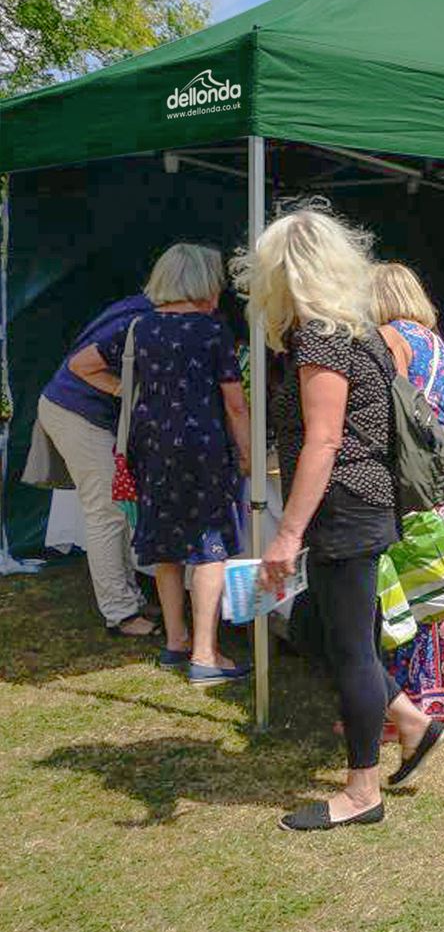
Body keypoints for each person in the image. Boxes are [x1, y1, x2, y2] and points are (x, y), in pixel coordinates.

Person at [234, 204, 444, 831]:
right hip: (364, 502)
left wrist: (289, 532)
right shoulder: (364, 332)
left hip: (345, 508)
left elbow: (325, 440)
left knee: (350, 647)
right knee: (320, 631)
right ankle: (412, 723)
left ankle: (362, 791)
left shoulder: (323, 336)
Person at [83, 244, 252, 681]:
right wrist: (249, 453)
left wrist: (133, 394)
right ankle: (205, 655)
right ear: (202, 281)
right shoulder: (213, 331)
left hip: (152, 447)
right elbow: (236, 406)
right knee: (210, 548)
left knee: (167, 545)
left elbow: (82, 365)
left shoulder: (141, 328)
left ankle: (176, 643)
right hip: (204, 449)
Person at [371, 262, 444, 723]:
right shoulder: (441, 346)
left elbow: (385, 409)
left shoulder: (390, 340)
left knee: (403, 587)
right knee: (437, 585)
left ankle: (404, 701)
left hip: (402, 477)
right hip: (435, 475)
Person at [36, 288, 157, 635]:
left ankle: (129, 598)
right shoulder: (140, 319)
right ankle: (120, 613)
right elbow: (81, 364)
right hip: (78, 414)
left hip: (76, 411)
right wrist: (128, 390)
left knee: (114, 511)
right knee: (106, 512)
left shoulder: (136, 308)